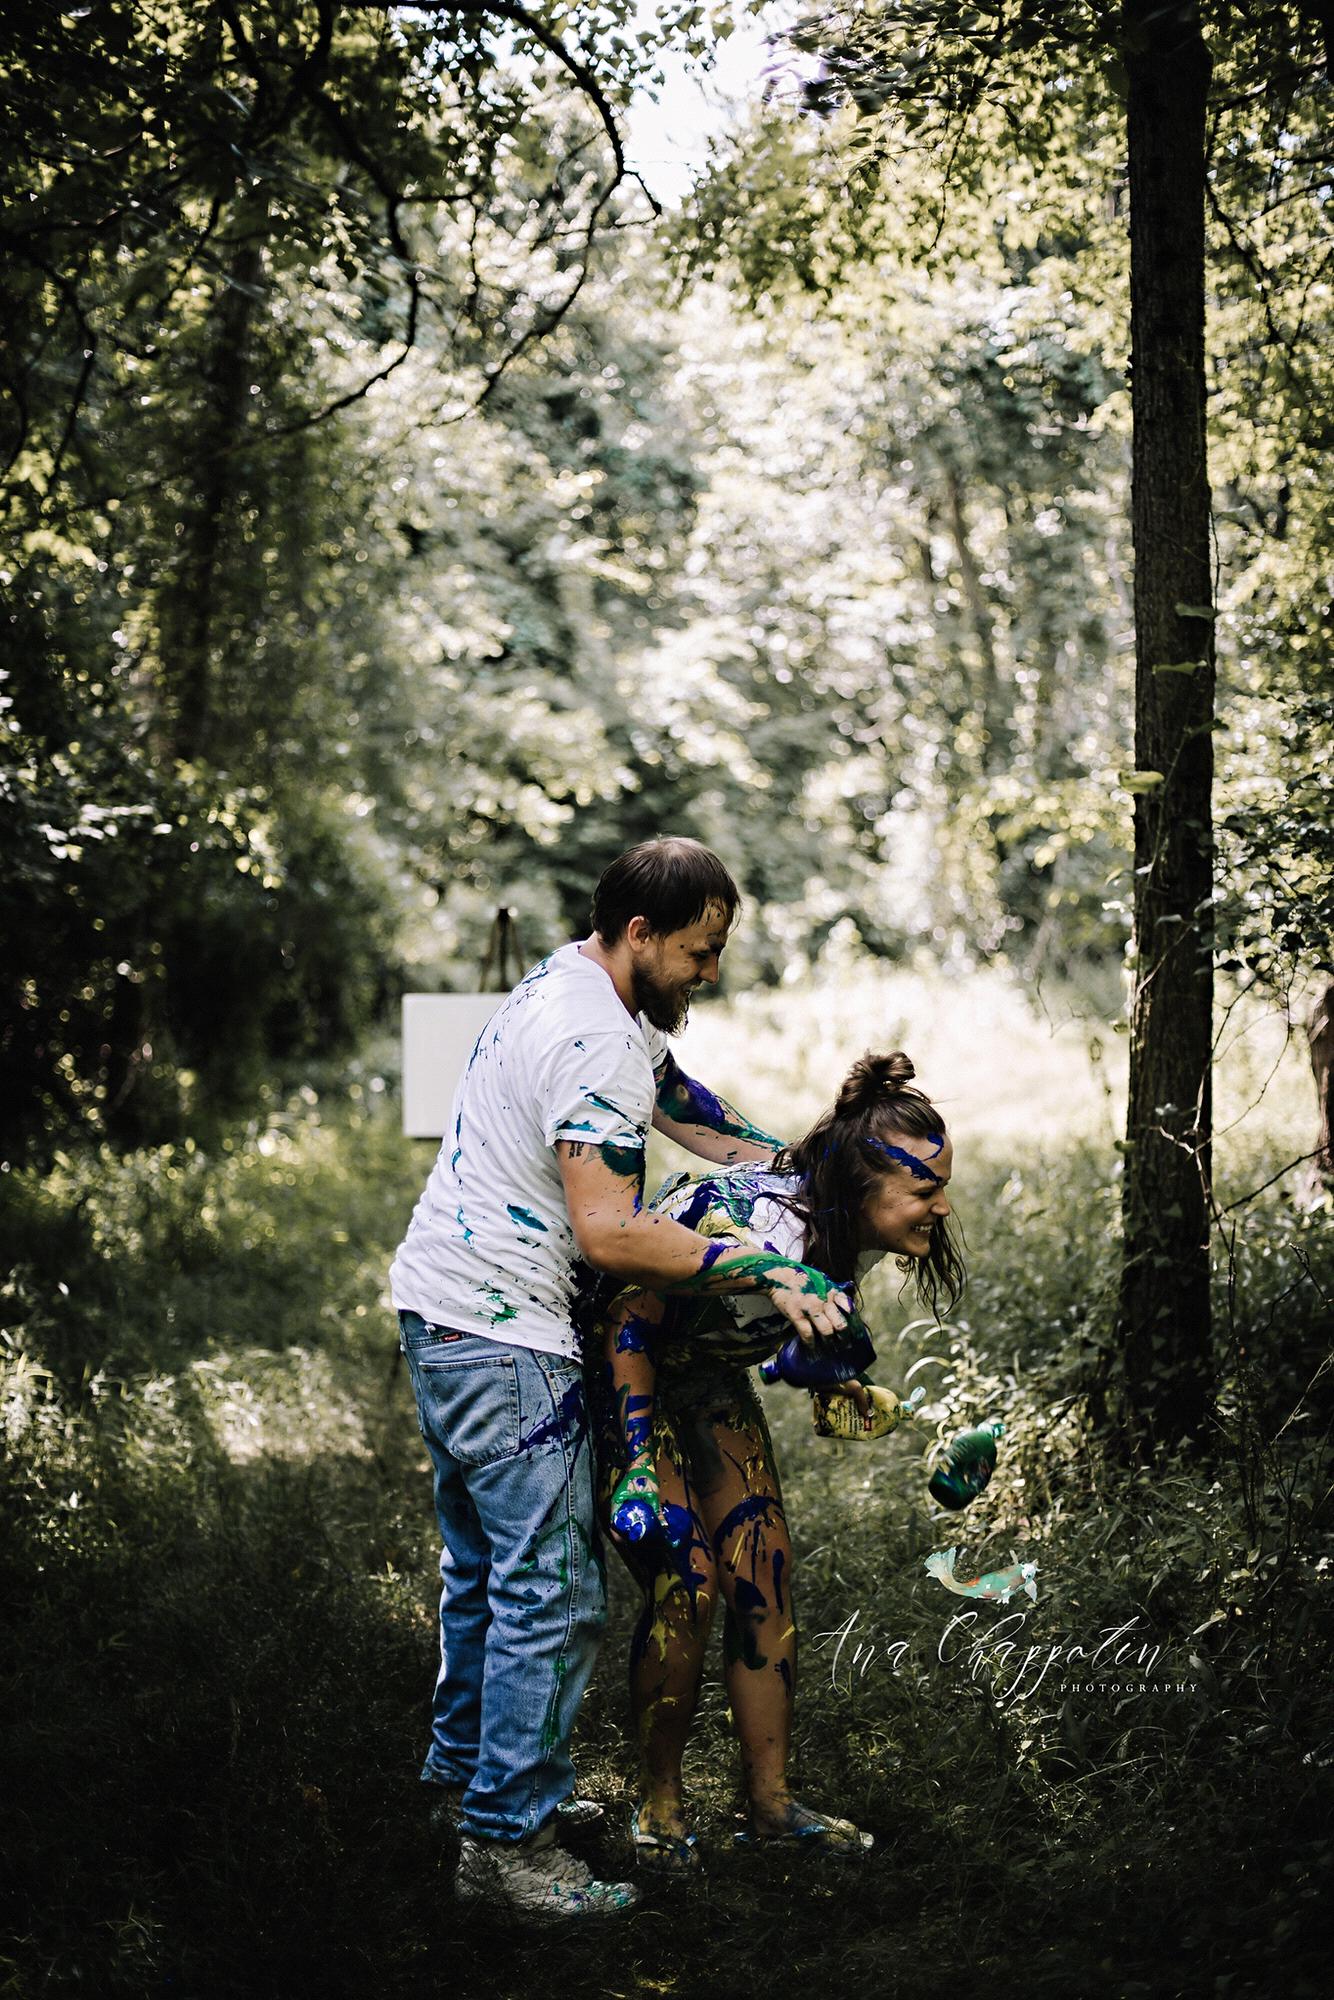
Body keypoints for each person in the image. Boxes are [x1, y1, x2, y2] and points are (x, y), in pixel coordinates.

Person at [389, 836, 860, 1922]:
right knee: (551, 1593)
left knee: (485, 1574)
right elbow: (610, 1233)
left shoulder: (578, 981)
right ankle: (506, 1848)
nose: (710, 972)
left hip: (441, 1307)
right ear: (640, 933)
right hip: (502, 1333)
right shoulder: (593, 1035)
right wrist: (770, 1265)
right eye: (698, 952)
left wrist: (785, 1166)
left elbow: (671, 1092)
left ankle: (466, 1790)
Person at [590, 1051, 964, 1872]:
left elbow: (774, 1328)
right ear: (862, 1188)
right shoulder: (762, 1227)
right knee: (686, 1580)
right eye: (925, 1191)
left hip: (707, 1380)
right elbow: (630, 1318)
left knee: (763, 1574)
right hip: (627, 1374)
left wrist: (837, 1384)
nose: (942, 1206)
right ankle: (659, 1806)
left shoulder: (843, 1228)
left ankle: (770, 1806)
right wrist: (637, 1461)